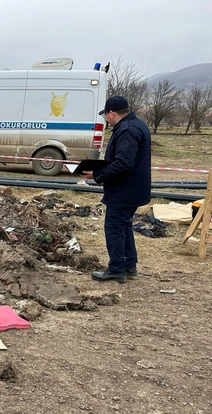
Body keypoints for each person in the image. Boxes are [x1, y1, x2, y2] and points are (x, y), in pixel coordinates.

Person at [81, 95, 151, 283]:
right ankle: (129, 266)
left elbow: (124, 163)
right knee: (124, 226)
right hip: (133, 189)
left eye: (106, 115)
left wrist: (97, 175)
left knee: (114, 228)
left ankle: (116, 269)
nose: (106, 119)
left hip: (124, 191)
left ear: (112, 113)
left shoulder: (127, 130)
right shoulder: (137, 125)